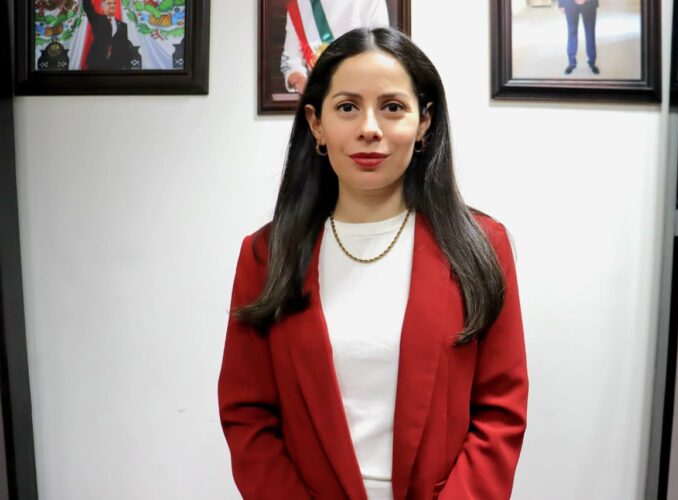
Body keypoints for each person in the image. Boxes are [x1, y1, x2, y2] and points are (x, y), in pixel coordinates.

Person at [219, 27, 528, 499]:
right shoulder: (266, 254)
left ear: (424, 122)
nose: (369, 128)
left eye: (392, 107)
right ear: (316, 123)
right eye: (347, 107)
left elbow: (500, 411)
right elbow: (248, 416)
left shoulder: (482, 245)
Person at [281, 0, 389, 93]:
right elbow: (290, 60)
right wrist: (303, 85)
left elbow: (380, 50)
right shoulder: (302, 4)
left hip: (362, 90)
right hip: (322, 95)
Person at [82, 0, 131, 70]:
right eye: (109, 3)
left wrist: (126, 66)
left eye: (114, 3)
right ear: (103, 7)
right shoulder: (97, 19)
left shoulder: (123, 26)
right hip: (96, 63)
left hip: (116, 66)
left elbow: (125, 47)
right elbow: (88, 7)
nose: (112, 5)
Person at [559, 0, 599, 75]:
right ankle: (571, 62)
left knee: (590, 32)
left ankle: (592, 62)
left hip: (589, 3)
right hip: (570, 3)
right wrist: (561, 4)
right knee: (572, 32)